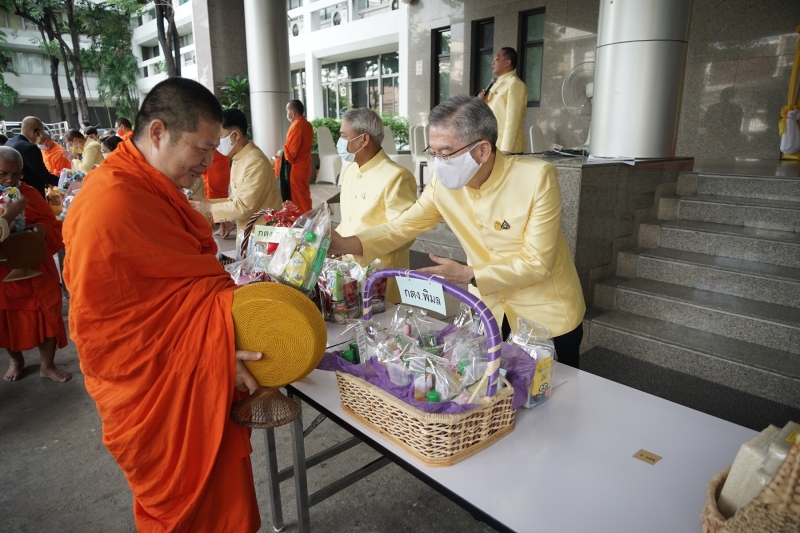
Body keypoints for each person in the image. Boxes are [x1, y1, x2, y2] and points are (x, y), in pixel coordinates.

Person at [62, 77, 262, 532]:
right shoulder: (111, 201)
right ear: (157, 133)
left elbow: (187, 284)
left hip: (196, 381)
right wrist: (212, 354)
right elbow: (112, 336)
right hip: (163, 391)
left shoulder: (151, 187)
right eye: (202, 149)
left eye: (215, 150)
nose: (209, 163)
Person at [330, 95, 586, 368]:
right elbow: (403, 226)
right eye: (433, 152)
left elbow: (538, 262)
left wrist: (469, 274)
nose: (437, 163)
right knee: (492, 393)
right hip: (489, 314)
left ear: (482, 151)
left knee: (553, 397)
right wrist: (346, 243)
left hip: (545, 316)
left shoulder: (536, 178)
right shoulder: (443, 184)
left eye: (446, 153)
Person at [0, 146, 71, 383]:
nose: (10, 180)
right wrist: (9, 215)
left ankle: (46, 365)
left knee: (48, 313)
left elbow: (52, 227)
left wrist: (39, 230)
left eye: (16, 174)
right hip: (4, 272)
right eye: (3, 174)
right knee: (7, 322)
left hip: (35, 267)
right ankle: (15, 360)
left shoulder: (29, 192)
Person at [336, 108, 417, 303]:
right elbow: (348, 222)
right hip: (348, 273)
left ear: (364, 140)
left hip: (380, 277)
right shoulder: (350, 172)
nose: (340, 142)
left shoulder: (396, 176)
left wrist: (355, 244)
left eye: (343, 136)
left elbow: (405, 234)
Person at [189, 108, 282, 244]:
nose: (217, 144)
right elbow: (235, 199)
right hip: (250, 231)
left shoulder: (255, 161)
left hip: (264, 234)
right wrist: (205, 203)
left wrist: (208, 208)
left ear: (236, 135)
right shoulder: (239, 157)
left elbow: (243, 206)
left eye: (220, 137)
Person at [478, 47, 527, 155]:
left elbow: (513, 118)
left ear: (507, 62)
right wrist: (482, 102)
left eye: (496, 59)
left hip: (506, 148)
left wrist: (506, 148)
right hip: (492, 143)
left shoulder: (515, 84)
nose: (492, 62)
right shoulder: (496, 84)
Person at [5, 117, 60, 197]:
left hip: (13, 191)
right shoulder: (29, 148)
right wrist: (66, 184)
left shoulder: (9, 142)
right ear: (37, 133)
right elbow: (43, 175)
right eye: (41, 133)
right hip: (31, 193)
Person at [282, 99, 313, 213]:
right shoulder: (307, 125)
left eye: (287, 111)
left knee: (299, 200)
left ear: (293, 112)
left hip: (297, 169)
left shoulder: (296, 125)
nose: (287, 114)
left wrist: (284, 148)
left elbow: (291, 155)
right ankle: (307, 220)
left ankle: (305, 222)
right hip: (305, 166)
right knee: (304, 197)